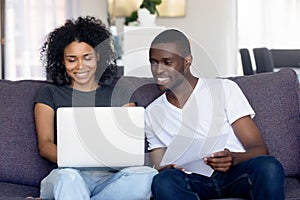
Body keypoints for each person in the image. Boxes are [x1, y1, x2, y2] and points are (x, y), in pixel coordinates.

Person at [145, 29, 285, 199]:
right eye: (153, 62)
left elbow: (260, 149)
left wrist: (233, 159)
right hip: (193, 180)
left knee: (269, 166)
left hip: (233, 174)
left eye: (167, 62)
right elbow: (160, 165)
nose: (158, 70)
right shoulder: (152, 113)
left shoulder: (224, 89)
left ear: (187, 62)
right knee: (163, 180)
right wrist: (164, 169)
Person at [34, 16, 157, 200]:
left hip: (109, 179)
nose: (80, 66)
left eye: (87, 57)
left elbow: (129, 146)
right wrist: (80, 160)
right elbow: (45, 145)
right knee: (68, 180)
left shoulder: (121, 93)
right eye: (72, 59)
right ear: (62, 61)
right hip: (68, 174)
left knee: (148, 177)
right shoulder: (49, 93)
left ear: (98, 56)